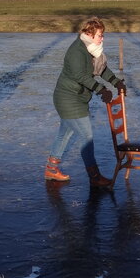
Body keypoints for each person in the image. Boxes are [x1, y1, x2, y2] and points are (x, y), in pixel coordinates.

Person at [46, 17, 126, 187]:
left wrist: (116, 82)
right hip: (68, 98)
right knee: (87, 136)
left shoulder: (92, 50)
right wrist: (101, 90)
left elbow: (101, 69)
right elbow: (80, 75)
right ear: (90, 33)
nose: (102, 38)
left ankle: (51, 169)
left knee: (65, 133)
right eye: (100, 35)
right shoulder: (77, 50)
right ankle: (95, 177)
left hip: (78, 98)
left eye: (102, 35)